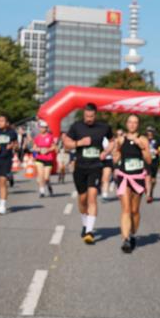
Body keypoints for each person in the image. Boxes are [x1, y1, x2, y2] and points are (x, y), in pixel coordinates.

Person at [63, 103, 112, 244]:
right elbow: (66, 143)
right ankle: (85, 224)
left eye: (91, 116)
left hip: (96, 166)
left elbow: (113, 141)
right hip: (80, 167)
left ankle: (89, 232)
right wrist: (79, 143)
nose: (88, 119)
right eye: (86, 116)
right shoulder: (76, 126)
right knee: (82, 200)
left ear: (95, 115)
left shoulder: (104, 127)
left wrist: (106, 152)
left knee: (92, 197)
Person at [107, 114, 151, 253]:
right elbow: (115, 159)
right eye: (130, 122)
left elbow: (149, 160)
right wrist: (115, 153)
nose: (132, 125)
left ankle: (132, 234)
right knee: (125, 209)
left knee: (134, 211)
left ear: (138, 125)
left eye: (135, 122)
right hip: (124, 177)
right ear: (126, 124)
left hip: (138, 178)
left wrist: (142, 148)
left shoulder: (143, 139)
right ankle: (125, 239)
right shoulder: (120, 139)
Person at [32, 120, 57, 197]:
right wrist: (39, 150)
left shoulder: (50, 137)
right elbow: (34, 148)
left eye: (43, 127)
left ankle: (49, 185)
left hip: (48, 159)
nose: (42, 129)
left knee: (46, 178)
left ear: (46, 128)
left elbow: (54, 147)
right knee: (40, 175)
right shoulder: (37, 138)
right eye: (41, 127)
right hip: (39, 158)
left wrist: (47, 150)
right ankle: (42, 191)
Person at [144, 127, 160, 203]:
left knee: (153, 180)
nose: (149, 134)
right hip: (145, 161)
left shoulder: (157, 141)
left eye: (151, 133)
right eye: (148, 133)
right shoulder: (143, 140)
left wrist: (159, 151)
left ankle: (150, 192)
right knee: (146, 178)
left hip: (154, 161)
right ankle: (148, 192)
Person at [101, 133, 115, 200]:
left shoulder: (110, 139)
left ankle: (105, 194)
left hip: (108, 159)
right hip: (97, 160)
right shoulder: (97, 137)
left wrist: (106, 152)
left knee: (106, 177)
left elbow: (114, 149)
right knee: (101, 178)